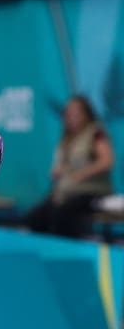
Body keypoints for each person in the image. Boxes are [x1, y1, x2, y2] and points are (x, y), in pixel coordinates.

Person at [25, 94, 114, 238]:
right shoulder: (67, 138)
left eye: (76, 113)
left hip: (90, 192)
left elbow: (107, 161)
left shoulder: (95, 133)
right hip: (65, 192)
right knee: (35, 218)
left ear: (86, 114)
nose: (71, 117)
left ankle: (71, 252)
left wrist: (83, 173)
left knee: (63, 216)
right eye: (68, 113)